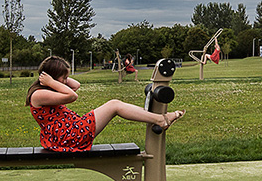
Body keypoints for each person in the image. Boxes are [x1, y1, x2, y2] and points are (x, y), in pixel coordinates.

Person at [26, 56, 185, 152]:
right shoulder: (38, 95)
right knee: (114, 105)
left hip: (70, 132)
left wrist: (58, 79)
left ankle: (157, 118)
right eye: (63, 78)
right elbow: (72, 95)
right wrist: (54, 81)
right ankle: (160, 119)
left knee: (115, 104)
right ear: (53, 78)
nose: (66, 81)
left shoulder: (48, 89)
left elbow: (76, 85)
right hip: (69, 136)